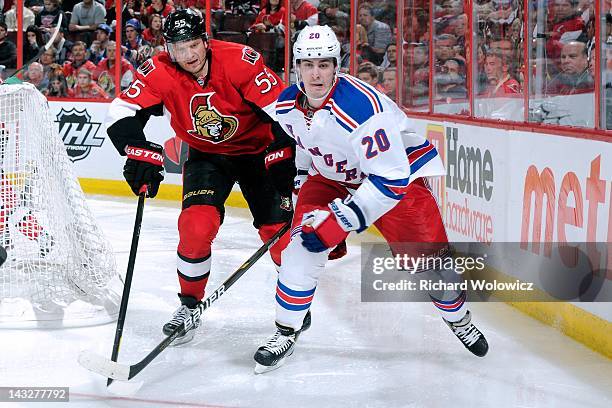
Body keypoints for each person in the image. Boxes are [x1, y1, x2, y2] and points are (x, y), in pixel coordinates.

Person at [253, 25, 489, 373]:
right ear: (297, 67)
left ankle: (457, 317)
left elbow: (390, 180)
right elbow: (305, 142)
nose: (316, 73)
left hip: (394, 180)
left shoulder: (362, 108)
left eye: (324, 64)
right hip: (333, 179)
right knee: (301, 247)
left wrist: (343, 219)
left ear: (337, 65)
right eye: (308, 64)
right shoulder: (288, 103)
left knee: (433, 269)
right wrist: (300, 180)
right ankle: (285, 331)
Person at [105, 9, 297, 345]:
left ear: (206, 41)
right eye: (180, 48)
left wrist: (285, 153)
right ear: (169, 48)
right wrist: (136, 150)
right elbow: (121, 111)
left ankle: (295, 309)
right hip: (207, 157)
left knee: (278, 235)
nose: (189, 55)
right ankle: (188, 305)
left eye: (194, 44)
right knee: (194, 227)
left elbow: (285, 110)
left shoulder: (239, 61)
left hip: (257, 153)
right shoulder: (160, 71)